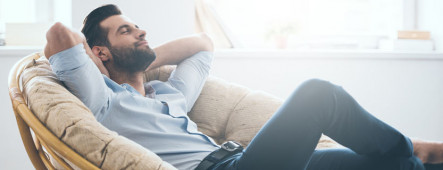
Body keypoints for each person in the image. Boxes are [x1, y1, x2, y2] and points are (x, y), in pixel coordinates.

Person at [44, 4, 443, 170]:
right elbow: (60, 34)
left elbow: (202, 45)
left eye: (136, 25)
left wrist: (145, 59)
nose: (141, 31)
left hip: (242, 160)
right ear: (100, 52)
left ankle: (410, 154)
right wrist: (97, 64)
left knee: (392, 166)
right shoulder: (104, 101)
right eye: (126, 31)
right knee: (318, 94)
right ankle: (412, 146)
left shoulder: (169, 94)